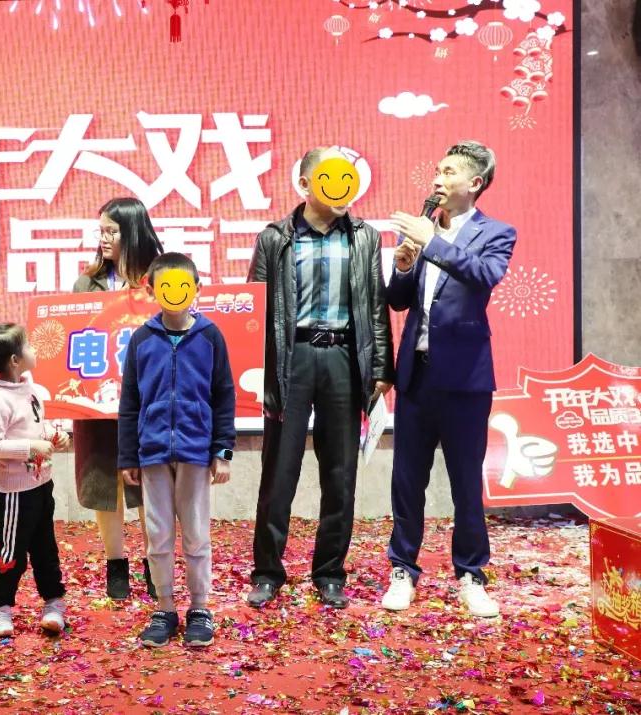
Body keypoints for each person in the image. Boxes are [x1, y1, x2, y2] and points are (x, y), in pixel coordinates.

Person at [247, 146, 394, 610]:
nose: (342, 187)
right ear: (306, 184)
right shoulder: (275, 238)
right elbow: (255, 310)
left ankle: (330, 573)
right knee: (279, 472)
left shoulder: (365, 238)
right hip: (290, 360)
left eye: (348, 177)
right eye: (331, 177)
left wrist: (381, 367)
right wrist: (257, 371)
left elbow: (375, 304)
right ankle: (267, 572)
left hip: (344, 360)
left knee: (340, 473)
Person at [381, 140, 516, 618]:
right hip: (416, 377)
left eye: (449, 171)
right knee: (406, 480)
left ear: (474, 183)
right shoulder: (425, 228)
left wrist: (432, 243)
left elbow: (484, 275)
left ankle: (471, 575)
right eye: (437, 170)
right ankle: (403, 569)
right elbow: (399, 301)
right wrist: (402, 268)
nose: (438, 179)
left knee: (465, 483)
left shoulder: (496, 233)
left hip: (465, 381)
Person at [118, 252, 235, 647]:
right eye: (165, 286)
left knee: (197, 534)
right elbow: (129, 402)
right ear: (152, 290)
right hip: (151, 453)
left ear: (196, 289)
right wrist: (127, 455)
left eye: (182, 286)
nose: (174, 293)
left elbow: (224, 396)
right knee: (158, 535)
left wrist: (222, 450)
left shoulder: (210, 336)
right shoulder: (142, 339)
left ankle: (200, 607)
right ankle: (165, 607)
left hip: (196, 451)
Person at [71, 197, 164, 600]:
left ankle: (153, 561)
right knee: (101, 482)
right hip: (94, 402)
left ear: (133, 232)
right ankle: (116, 564)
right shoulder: (86, 284)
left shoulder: (160, 281)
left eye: (112, 231)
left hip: (147, 403)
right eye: (101, 231)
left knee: (149, 484)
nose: (104, 238)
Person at [0, 323, 70, 637]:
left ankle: (54, 602)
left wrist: (53, 435)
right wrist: (31, 447)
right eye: (28, 345)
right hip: (15, 495)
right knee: (12, 553)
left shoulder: (33, 389)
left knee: (46, 550)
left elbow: (37, 427)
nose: (34, 349)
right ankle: (0, 607)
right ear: (14, 360)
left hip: (42, 486)